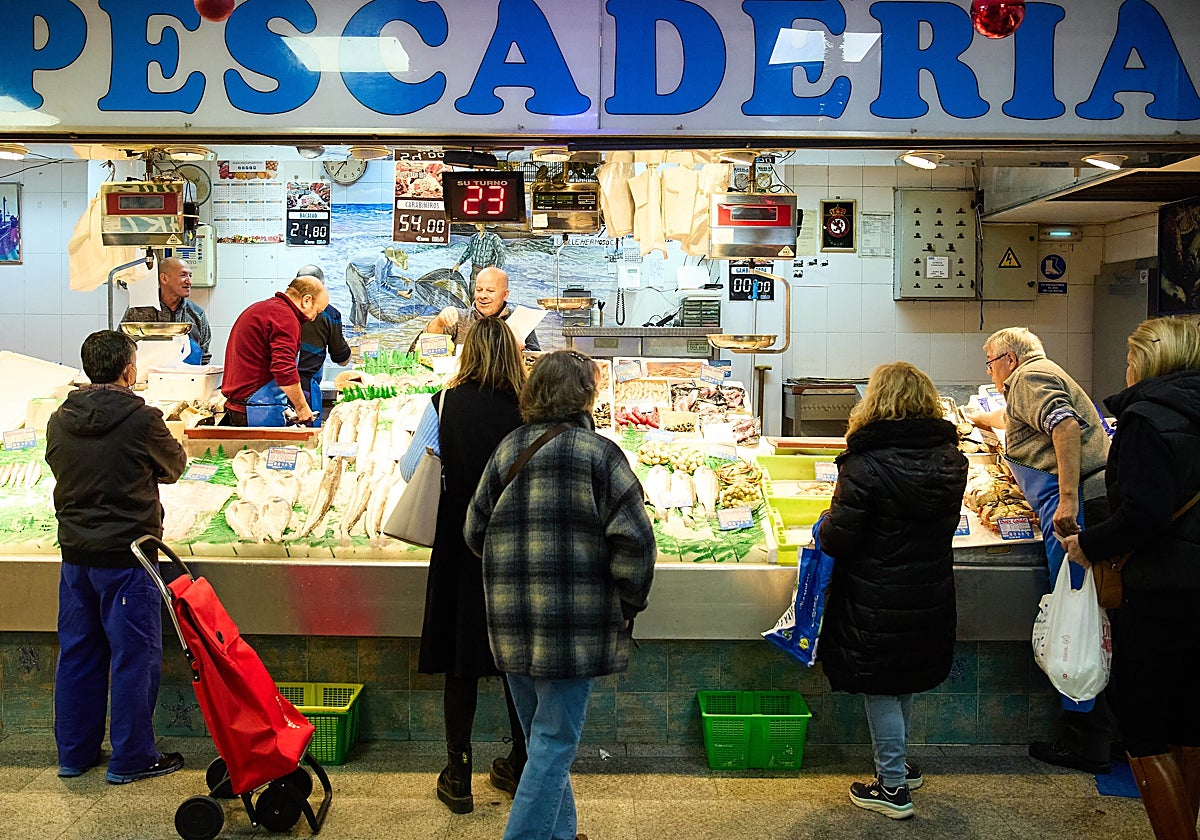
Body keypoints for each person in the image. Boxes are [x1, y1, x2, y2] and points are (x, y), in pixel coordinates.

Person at [465, 350, 656, 840]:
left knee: (541, 740)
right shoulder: (600, 454)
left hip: (509, 619)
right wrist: (627, 603)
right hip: (573, 623)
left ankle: (562, 834)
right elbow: (635, 542)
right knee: (553, 743)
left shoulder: (508, 448)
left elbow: (473, 531)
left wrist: (513, 568)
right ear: (585, 397)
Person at [1062, 317, 1200, 840]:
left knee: (1142, 729)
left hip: (1160, 592)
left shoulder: (1147, 417)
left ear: (1149, 361)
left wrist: (1089, 543)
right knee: (1190, 720)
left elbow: (1145, 512)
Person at [816, 361, 968, 820]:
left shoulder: (864, 464)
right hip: (930, 590)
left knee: (881, 685)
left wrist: (824, 522)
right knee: (905, 678)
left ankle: (892, 788)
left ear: (875, 402)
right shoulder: (951, 460)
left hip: (877, 596)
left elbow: (840, 537)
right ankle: (898, 764)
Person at [397, 317, 529, 814]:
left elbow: (412, 468)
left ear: (468, 352)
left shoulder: (445, 402)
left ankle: (458, 774)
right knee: (518, 658)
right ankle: (521, 762)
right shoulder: (528, 409)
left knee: (461, 661)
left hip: (459, 546)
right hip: (515, 548)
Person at [968, 326, 1114, 774]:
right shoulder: (1036, 377)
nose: (990, 373)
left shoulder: (1030, 377)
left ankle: (1086, 741)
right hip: (1078, 502)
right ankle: (1098, 730)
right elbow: (1025, 421)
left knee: (1078, 614)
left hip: (1075, 508)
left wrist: (1067, 499)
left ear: (1008, 359)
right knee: (1087, 610)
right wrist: (980, 419)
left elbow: (1064, 425)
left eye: (990, 363)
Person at [44, 329, 187, 784]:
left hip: (76, 556)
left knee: (78, 655)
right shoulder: (143, 418)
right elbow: (175, 467)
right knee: (133, 658)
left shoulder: (59, 417)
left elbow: (57, 465)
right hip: (128, 558)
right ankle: (131, 757)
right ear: (129, 369)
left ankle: (74, 755)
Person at [220, 274, 329, 426]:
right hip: (255, 410)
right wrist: (303, 408)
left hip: (247, 406)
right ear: (306, 300)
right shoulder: (285, 318)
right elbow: (284, 369)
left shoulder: (266, 308)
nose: (312, 318)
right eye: (316, 312)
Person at [121, 256, 212, 364]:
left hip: (187, 378)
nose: (189, 281)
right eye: (183, 275)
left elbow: (204, 357)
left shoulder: (197, 314)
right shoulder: (138, 310)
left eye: (190, 276)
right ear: (164, 278)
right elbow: (121, 348)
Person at [426, 266, 541, 351]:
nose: (483, 296)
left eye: (490, 291)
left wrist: (519, 350)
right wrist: (439, 322)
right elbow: (428, 348)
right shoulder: (458, 318)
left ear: (505, 294)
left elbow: (536, 365)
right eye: (479, 290)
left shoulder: (520, 319)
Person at [294, 264, 351, 425]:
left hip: (275, 387)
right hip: (305, 389)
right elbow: (342, 359)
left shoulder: (280, 309)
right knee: (307, 438)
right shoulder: (329, 314)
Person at [452, 225, 507, 296]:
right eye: (476, 222)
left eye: (480, 222)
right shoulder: (474, 238)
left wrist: (497, 271)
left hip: (488, 273)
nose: (477, 224)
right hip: (475, 271)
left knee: (486, 295)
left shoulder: (493, 238)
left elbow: (501, 255)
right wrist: (458, 264)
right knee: (472, 293)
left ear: (485, 224)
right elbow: (468, 252)